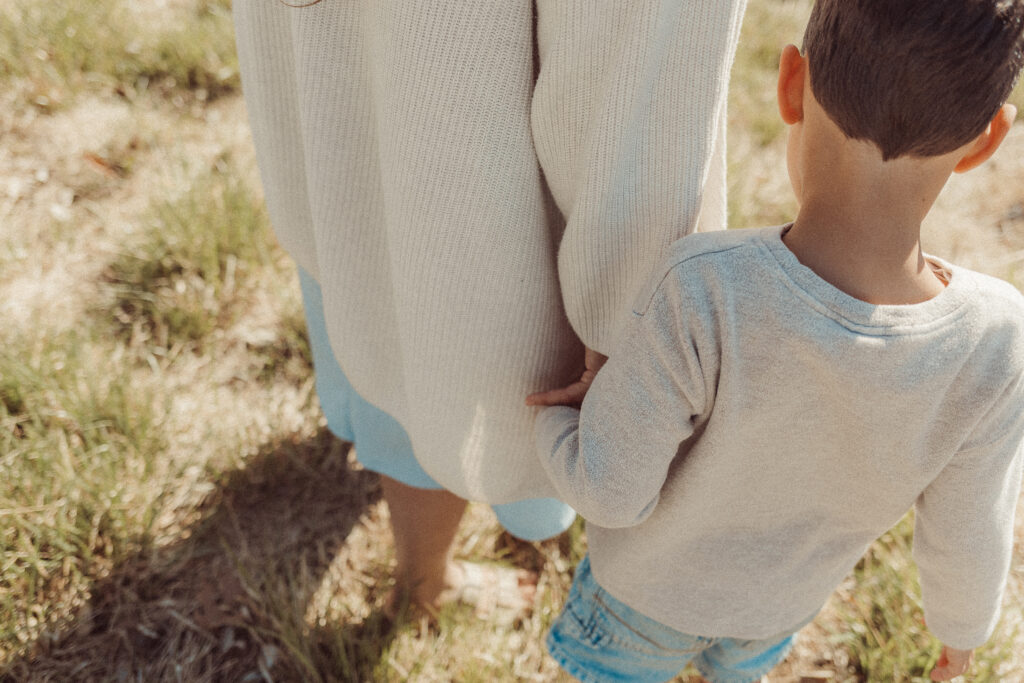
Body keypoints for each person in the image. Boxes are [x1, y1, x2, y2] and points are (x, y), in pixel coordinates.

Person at [530, 0, 1024, 680]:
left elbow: (613, 490)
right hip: (777, 614)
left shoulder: (704, 287)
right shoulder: (996, 340)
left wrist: (554, 423)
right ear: (988, 139)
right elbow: (970, 529)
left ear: (791, 81)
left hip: (639, 602)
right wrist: (961, 633)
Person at [232, 1, 748, 614]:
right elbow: (635, 77)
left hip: (330, 107)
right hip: (461, 189)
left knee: (375, 304)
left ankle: (419, 563)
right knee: (432, 370)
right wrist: (627, 308)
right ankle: (425, 585)